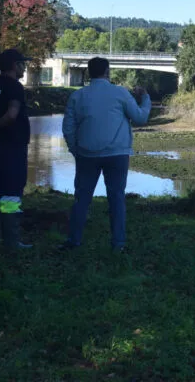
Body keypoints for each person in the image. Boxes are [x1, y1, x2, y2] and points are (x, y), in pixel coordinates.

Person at [61, 57, 151, 252]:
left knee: (81, 199)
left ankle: (73, 241)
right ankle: (118, 245)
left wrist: (75, 149)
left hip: (86, 154)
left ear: (88, 72)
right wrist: (145, 99)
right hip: (117, 154)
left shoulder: (78, 96)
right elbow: (140, 118)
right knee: (117, 198)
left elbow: (68, 127)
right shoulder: (120, 93)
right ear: (107, 72)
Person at [0, 48, 34, 249]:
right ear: (14, 65)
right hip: (12, 147)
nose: (24, 67)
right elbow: (12, 114)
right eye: (22, 63)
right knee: (11, 192)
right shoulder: (14, 87)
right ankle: (11, 241)